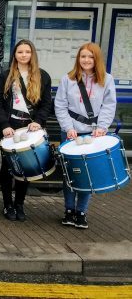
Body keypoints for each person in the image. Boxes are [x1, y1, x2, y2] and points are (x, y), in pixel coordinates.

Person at [55, 42, 116, 229]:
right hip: (71, 133)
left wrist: (102, 127)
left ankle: (81, 211)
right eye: (83, 56)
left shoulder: (107, 79)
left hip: (93, 133)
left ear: (96, 59)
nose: (86, 60)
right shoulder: (68, 79)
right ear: (78, 58)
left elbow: (109, 105)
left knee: (87, 175)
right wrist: (68, 127)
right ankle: (68, 210)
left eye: (90, 57)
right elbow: (60, 105)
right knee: (69, 174)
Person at [0, 39, 52, 222]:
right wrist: (4, 125)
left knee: (25, 168)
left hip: (30, 127)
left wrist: (39, 121)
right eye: (20, 52)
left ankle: (19, 204)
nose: (24, 55)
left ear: (32, 54)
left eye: (27, 52)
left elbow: (47, 103)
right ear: (15, 54)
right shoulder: (6, 76)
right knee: (7, 167)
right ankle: (7, 204)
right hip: (10, 127)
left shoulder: (43, 76)